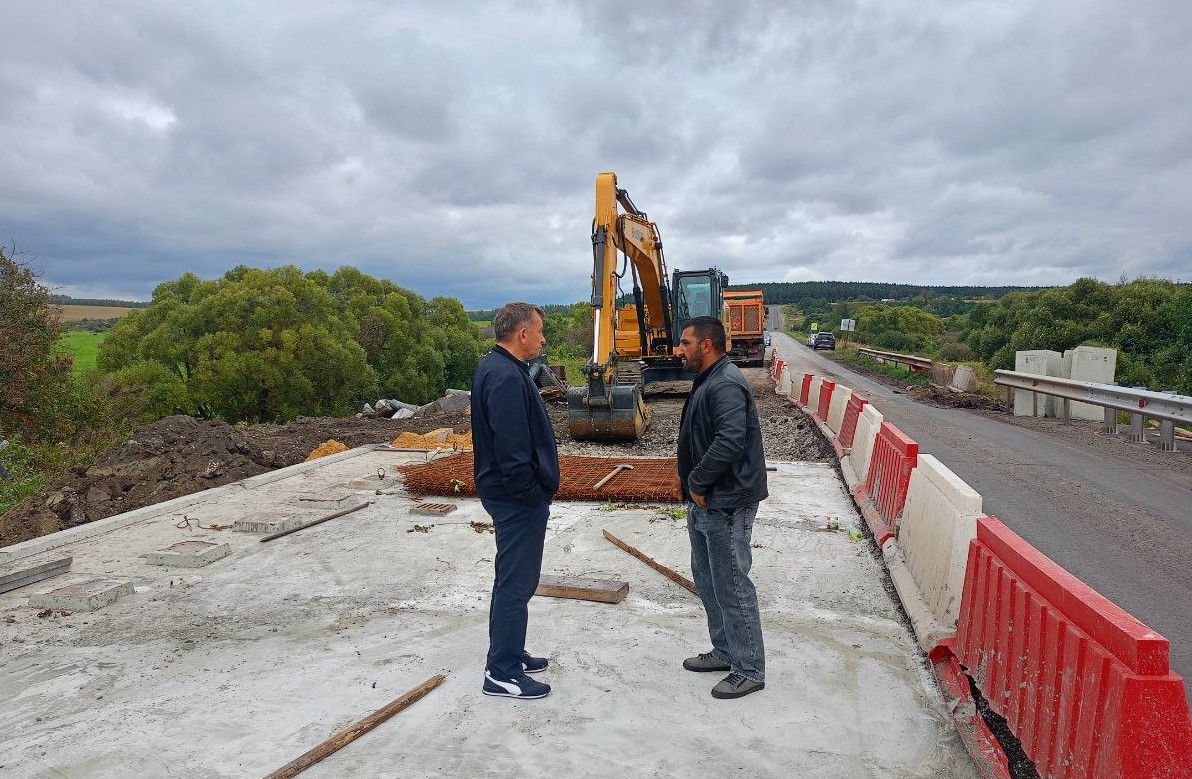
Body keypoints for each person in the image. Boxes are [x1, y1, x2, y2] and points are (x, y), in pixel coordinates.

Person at [674, 316, 769, 699]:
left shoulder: (726, 383)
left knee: (731, 584)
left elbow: (730, 442)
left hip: (726, 501)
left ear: (707, 344)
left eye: (685, 343)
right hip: (708, 501)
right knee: (709, 579)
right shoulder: (709, 379)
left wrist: (697, 480)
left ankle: (749, 669)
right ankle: (726, 650)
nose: (679, 349)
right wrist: (685, 477)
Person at [470, 302, 560, 700]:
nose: (543, 338)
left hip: (510, 495)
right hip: (515, 499)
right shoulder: (505, 376)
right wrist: (531, 494)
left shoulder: (498, 368)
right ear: (521, 334)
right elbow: (512, 447)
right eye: (539, 331)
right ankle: (502, 671)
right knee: (516, 583)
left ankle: (509, 652)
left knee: (513, 580)